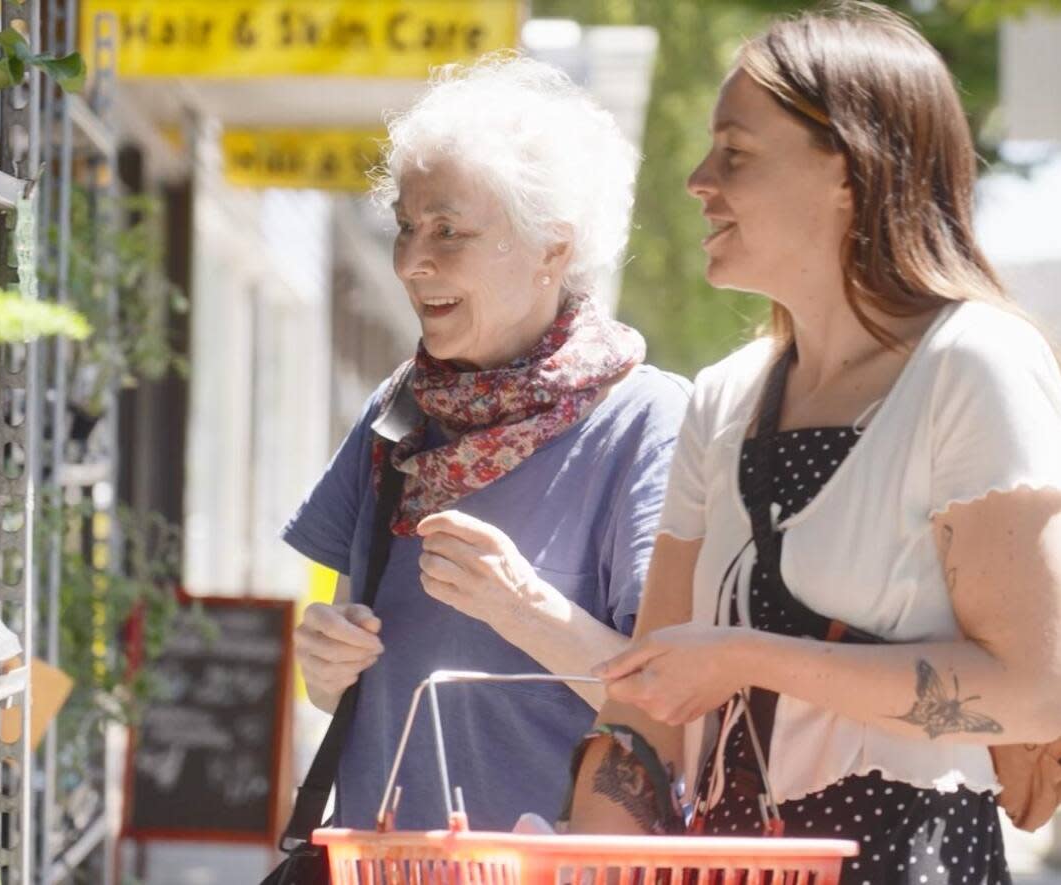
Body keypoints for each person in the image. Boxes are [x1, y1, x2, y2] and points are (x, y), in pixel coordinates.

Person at [565, 4, 1061, 884]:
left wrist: (747, 658)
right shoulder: (723, 397)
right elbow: (639, 715)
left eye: (736, 154)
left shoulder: (973, 362)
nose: (696, 179)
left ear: (852, 171)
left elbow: (1031, 690)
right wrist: (588, 854)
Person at [282, 54, 691, 833]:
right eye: (405, 226)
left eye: (449, 231)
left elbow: (677, 706)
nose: (411, 261)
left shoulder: (648, 422)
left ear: (553, 249)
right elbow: (341, 687)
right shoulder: (398, 410)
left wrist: (524, 608)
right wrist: (325, 665)